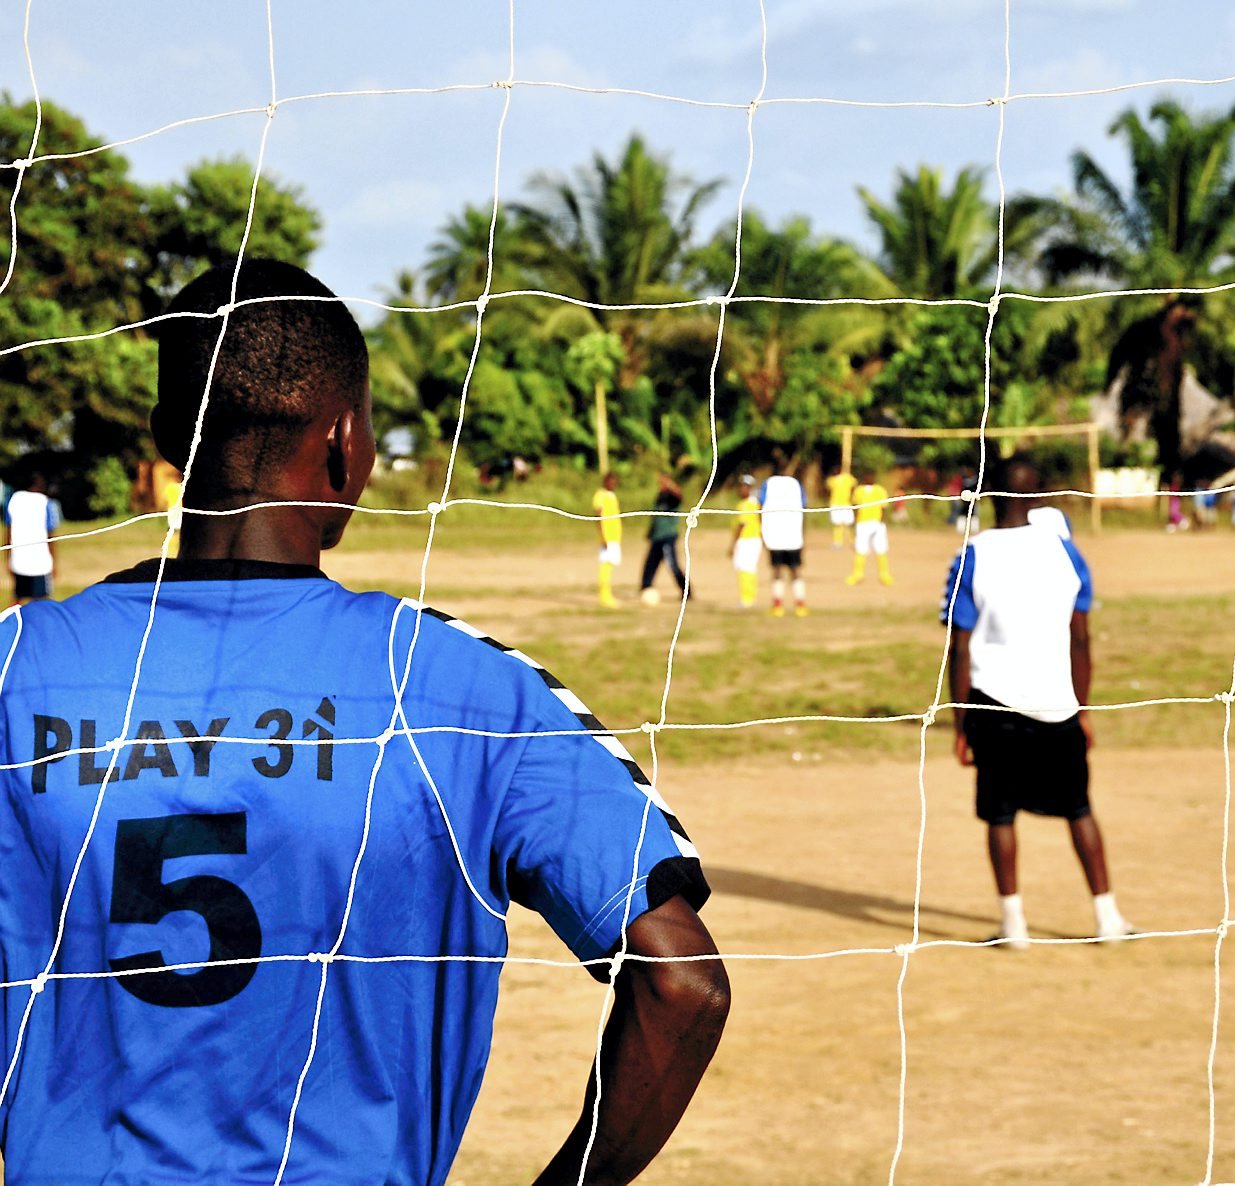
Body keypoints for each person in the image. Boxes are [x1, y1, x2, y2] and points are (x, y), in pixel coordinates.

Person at [0, 260, 727, 1184]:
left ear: (168, 441)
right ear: (348, 443)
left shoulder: (18, 664)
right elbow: (683, 982)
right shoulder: (458, 687)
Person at [941, 457, 1134, 949]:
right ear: (1039, 498)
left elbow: (959, 647)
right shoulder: (1064, 551)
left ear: (988, 496)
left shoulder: (974, 554)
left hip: (994, 705)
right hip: (1058, 703)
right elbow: (1082, 639)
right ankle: (1107, 915)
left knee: (1000, 816)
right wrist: (1082, 708)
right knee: (1079, 808)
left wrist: (961, 723)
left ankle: (1014, 926)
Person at [759, 456, 809, 617]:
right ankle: (793, 604)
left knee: (779, 570)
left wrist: (763, 531)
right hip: (789, 535)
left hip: (777, 535)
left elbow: (760, 507)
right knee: (792, 570)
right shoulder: (795, 484)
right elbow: (805, 507)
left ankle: (783, 604)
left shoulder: (769, 484)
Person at [4, 469, 62, 604]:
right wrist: (54, 562)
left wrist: (8, 559)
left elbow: (7, 534)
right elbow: (50, 536)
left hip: (18, 560)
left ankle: (11, 624)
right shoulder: (44, 502)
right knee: (41, 603)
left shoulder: (13, 500)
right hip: (40, 562)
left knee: (17, 600)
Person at [638, 473, 690, 604]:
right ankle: (646, 588)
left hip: (668, 536)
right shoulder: (660, 497)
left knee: (671, 563)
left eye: (663, 482)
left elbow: (680, 494)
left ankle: (686, 590)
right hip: (657, 537)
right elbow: (656, 516)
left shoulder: (672, 497)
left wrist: (669, 484)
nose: (661, 485)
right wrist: (650, 531)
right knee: (650, 564)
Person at [846, 468, 894, 587]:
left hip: (877, 523)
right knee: (861, 549)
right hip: (862, 523)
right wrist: (855, 522)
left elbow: (884, 507)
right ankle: (858, 574)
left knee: (881, 548)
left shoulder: (880, 490)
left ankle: (884, 575)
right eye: (867, 476)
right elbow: (855, 506)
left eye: (871, 476)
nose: (869, 478)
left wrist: (882, 522)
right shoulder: (859, 490)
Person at [729, 473, 763, 608]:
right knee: (749, 568)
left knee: (745, 568)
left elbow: (741, 525)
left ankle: (747, 598)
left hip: (747, 540)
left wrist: (732, 544)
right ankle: (749, 597)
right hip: (754, 539)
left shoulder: (746, 504)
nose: (741, 489)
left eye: (745, 487)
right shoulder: (755, 503)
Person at [591, 470, 622, 608]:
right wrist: (603, 536)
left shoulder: (612, 495)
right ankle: (604, 595)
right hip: (606, 536)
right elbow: (598, 515)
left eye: (615, 480)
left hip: (614, 536)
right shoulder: (600, 495)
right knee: (605, 565)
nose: (613, 483)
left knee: (610, 565)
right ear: (605, 481)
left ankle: (607, 594)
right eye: (611, 480)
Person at [825, 466, 857, 549]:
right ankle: (837, 542)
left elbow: (854, 485)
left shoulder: (847, 477)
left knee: (849, 523)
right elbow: (827, 490)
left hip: (846, 504)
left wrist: (851, 496)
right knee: (837, 524)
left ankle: (853, 541)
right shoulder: (831, 480)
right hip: (835, 504)